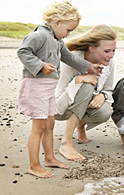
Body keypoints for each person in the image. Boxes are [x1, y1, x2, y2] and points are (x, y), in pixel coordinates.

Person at [17, 0, 102, 178]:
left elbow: (69, 57)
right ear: (57, 22)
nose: (68, 34)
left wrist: (89, 67)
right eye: (68, 29)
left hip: (48, 88)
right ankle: (34, 165)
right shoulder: (39, 36)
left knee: (50, 125)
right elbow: (23, 52)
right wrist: (40, 65)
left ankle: (49, 158)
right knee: (38, 128)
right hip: (36, 87)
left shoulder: (57, 40)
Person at [55, 24, 117, 161]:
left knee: (105, 111)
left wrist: (103, 95)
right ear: (92, 48)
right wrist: (78, 80)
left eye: (113, 51)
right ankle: (66, 143)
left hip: (84, 105)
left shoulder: (109, 63)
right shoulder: (71, 59)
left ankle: (80, 125)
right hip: (58, 109)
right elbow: (58, 102)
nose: (111, 56)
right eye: (107, 51)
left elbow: (108, 89)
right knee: (87, 85)